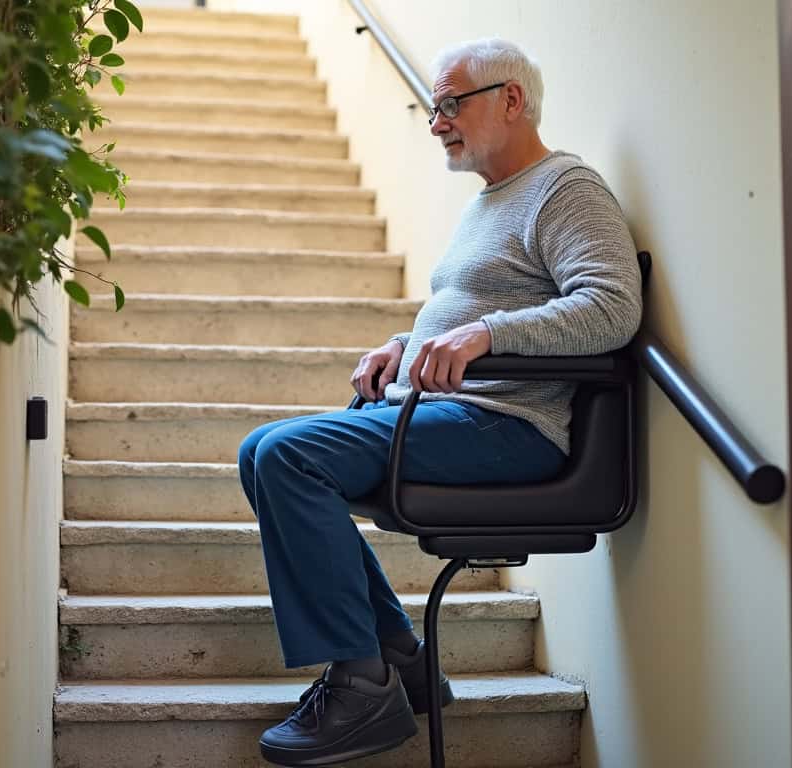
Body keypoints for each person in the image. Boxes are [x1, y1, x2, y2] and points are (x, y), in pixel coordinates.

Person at [237, 37, 643, 766]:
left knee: (289, 456)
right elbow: (470, 311)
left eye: (452, 105)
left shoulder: (565, 189)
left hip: (508, 426)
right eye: (434, 109)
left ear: (511, 100)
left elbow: (612, 308)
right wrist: (404, 342)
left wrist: (485, 335)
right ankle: (401, 657)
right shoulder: (490, 203)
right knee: (258, 451)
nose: (437, 123)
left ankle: (363, 690)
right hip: (449, 410)